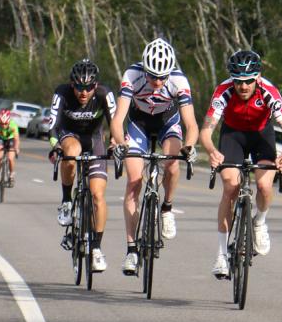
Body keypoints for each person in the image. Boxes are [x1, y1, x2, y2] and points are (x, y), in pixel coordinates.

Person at [199, 48, 282, 279]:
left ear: (258, 77)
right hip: (232, 134)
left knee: (264, 186)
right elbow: (206, 131)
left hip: (261, 135)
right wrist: (212, 151)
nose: (243, 87)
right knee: (231, 187)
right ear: (232, 79)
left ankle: (260, 222)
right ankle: (222, 255)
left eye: (249, 81)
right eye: (239, 81)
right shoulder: (223, 91)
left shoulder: (269, 91)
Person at [109, 37, 199, 276]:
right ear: (145, 70)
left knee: (171, 164)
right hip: (138, 123)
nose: (157, 81)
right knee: (134, 181)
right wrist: (120, 143)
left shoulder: (179, 80)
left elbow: (191, 123)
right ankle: (131, 250)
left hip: (167, 122)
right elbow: (118, 119)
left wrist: (189, 147)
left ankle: (167, 208)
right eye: (152, 76)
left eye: (162, 77)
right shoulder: (132, 75)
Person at [48, 58, 117, 272]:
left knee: (97, 195)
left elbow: (116, 123)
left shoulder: (105, 94)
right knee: (72, 151)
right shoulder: (62, 93)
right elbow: (52, 126)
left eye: (88, 87)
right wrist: (55, 146)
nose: (83, 92)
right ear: (72, 85)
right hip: (69, 136)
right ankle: (67, 201)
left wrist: (116, 142)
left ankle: (96, 248)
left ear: (95, 85)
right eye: (79, 87)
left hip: (94, 138)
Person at [0, 108, 20, 187]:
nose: (3, 125)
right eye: (2, 123)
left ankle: (11, 175)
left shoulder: (13, 125)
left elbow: (16, 139)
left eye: (5, 123)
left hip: (11, 139)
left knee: (10, 158)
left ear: (9, 121)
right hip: (1, 139)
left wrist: (16, 148)